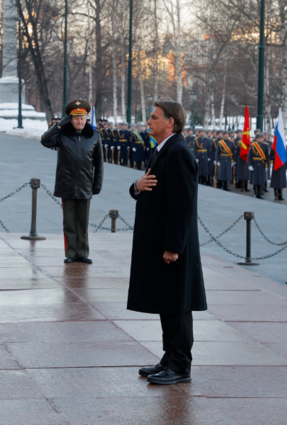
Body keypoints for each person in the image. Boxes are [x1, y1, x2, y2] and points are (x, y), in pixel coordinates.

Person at [128, 99, 206, 385]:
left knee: (178, 305)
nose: (148, 121)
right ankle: (169, 357)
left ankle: (181, 365)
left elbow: (182, 206)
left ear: (170, 122)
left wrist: (173, 246)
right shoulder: (164, 149)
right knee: (167, 301)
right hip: (161, 242)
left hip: (174, 245)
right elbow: (149, 186)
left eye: (154, 117)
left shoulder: (178, 153)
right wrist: (136, 187)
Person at [41, 100, 104, 264]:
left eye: (82, 118)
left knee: (82, 222)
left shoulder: (94, 136)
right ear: (70, 119)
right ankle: (70, 252)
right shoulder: (62, 135)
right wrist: (59, 125)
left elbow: (99, 163)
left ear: (86, 119)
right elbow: (45, 140)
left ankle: (82, 253)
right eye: (76, 118)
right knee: (69, 222)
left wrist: (97, 184)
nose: (79, 121)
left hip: (85, 185)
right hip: (66, 185)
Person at [248, 134, 269, 198]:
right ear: (256, 139)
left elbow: (267, 157)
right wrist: (250, 165)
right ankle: (256, 193)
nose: (260, 139)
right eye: (259, 138)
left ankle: (259, 193)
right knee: (255, 179)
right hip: (254, 164)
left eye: (261, 138)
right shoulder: (252, 145)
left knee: (261, 179)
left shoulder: (265, 146)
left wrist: (267, 165)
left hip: (262, 164)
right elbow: (250, 156)